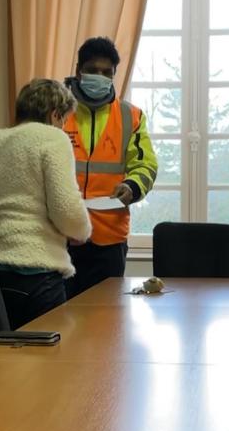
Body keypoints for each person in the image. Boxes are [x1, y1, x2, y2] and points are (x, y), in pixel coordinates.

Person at [0, 79, 92, 328]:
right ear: (55, 114)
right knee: (48, 352)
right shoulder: (53, 139)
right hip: (39, 276)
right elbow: (66, 209)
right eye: (64, 120)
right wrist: (82, 231)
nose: (63, 126)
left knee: (1, 351)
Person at [62, 36, 159, 297]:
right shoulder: (57, 112)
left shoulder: (131, 116)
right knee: (59, 316)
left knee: (105, 315)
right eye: (93, 70)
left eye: (107, 73)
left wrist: (132, 186)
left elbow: (146, 164)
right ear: (78, 71)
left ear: (115, 75)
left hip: (109, 239)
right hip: (61, 237)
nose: (100, 77)